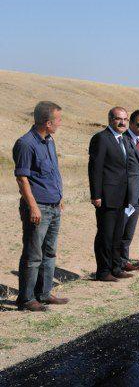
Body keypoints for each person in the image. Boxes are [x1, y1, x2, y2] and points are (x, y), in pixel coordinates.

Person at [12, 101, 69, 311]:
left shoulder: (49, 141)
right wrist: (33, 207)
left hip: (54, 206)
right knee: (33, 254)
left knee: (49, 252)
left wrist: (59, 196)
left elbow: (52, 172)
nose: (60, 124)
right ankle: (26, 299)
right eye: (58, 120)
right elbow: (22, 179)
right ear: (47, 122)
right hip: (38, 208)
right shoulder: (26, 144)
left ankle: (43, 294)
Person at [88, 107, 132, 282]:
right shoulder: (101, 138)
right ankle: (103, 271)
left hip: (121, 196)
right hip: (106, 195)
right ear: (110, 119)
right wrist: (96, 194)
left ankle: (116, 267)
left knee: (117, 235)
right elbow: (95, 168)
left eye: (125, 119)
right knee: (105, 235)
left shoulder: (123, 140)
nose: (122, 123)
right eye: (118, 119)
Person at [119, 109, 139, 272]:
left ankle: (124, 260)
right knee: (120, 228)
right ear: (130, 123)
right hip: (124, 194)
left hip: (137, 193)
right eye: (138, 125)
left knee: (129, 230)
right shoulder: (122, 140)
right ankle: (114, 262)